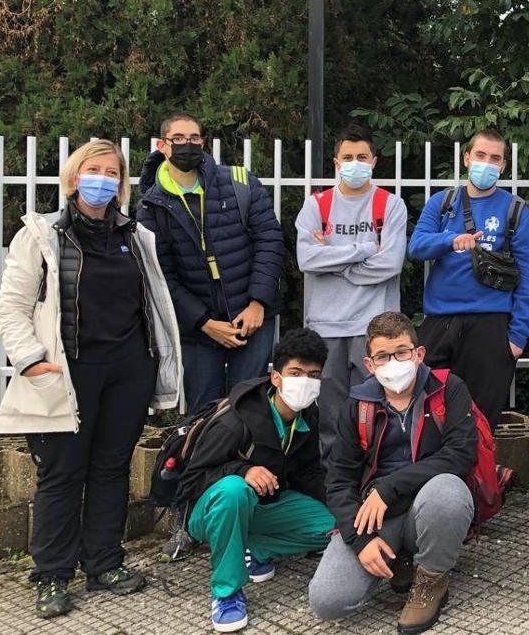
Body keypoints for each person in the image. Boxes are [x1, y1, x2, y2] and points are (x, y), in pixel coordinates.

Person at [0, 139, 182, 618]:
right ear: (74, 177)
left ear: (121, 183)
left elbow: (153, 303)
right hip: (67, 370)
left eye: (112, 172)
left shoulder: (136, 235)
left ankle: (104, 562)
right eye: (93, 169)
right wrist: (30, 358)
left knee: (111, 468)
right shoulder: (41, 234)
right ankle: (53, 575)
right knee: (61, 472)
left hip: (128, 371)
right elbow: (12, 306)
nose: (104, 178)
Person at [309, 312, 477, 635]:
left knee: (449, 493)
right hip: (375, 517)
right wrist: (360, 540)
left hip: (425, 506)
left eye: (401, 352)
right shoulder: (357, 405)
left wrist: (388, 488)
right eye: (383, 356)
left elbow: (460, 455)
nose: (394, 362)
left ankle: (431, 581)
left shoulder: (449, 389)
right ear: (369, 364)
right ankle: (398, 558)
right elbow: (339, 479)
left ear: (418, 354)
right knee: (327, 600)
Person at [179, 328, 335, 633]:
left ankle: (258, 548)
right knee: (235, 491)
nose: (305, 382)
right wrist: (241, 470)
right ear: (276, 377)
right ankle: (226, 593)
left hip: (266, 506)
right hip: (209, 509)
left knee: (337, 527)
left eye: (313, 375)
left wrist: (346, 502)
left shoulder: (307, 416)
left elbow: (308, 474)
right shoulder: (236, 420)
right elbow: (190, 482)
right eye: (296, 372)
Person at [137, 112, 285, 413]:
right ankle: (203, 461)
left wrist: (258, 303)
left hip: (251, 318)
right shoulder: (150, 205)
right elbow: (161, 276)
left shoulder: (239, 183)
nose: (187, 145)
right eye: (178, 139)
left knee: (250, 408)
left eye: (194, 138)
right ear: (162, 145)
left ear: (203, 142)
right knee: (203, 413)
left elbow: (269, 239)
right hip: (197, 329)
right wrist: (204, 322)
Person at [409, 128, 529, 429]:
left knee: (480, 420)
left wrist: (518, 336)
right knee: (428, 414)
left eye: (495, 158)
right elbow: (416, 246)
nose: (487, 163)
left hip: (491, 326)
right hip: (439, 322)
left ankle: (477, 477)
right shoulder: (442, 203)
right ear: (467, 158)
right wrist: (451, 240)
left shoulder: (515, 210)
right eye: (480, 155)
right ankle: (436, 477)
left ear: (503, 166)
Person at [296, 124, 407, 452]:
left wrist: (332, 258)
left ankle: (374, 474)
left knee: (374, 409)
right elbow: (307, 260)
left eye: (361, 156)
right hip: (324, 325)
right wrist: (363, 250)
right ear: (336, 162)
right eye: (347, 157)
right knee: (329, 414)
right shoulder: (317, 206)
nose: (354, 163)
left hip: (374, 328)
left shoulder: (390, 205)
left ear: (374, 161)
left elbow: (391, 264)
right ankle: (333, 482)